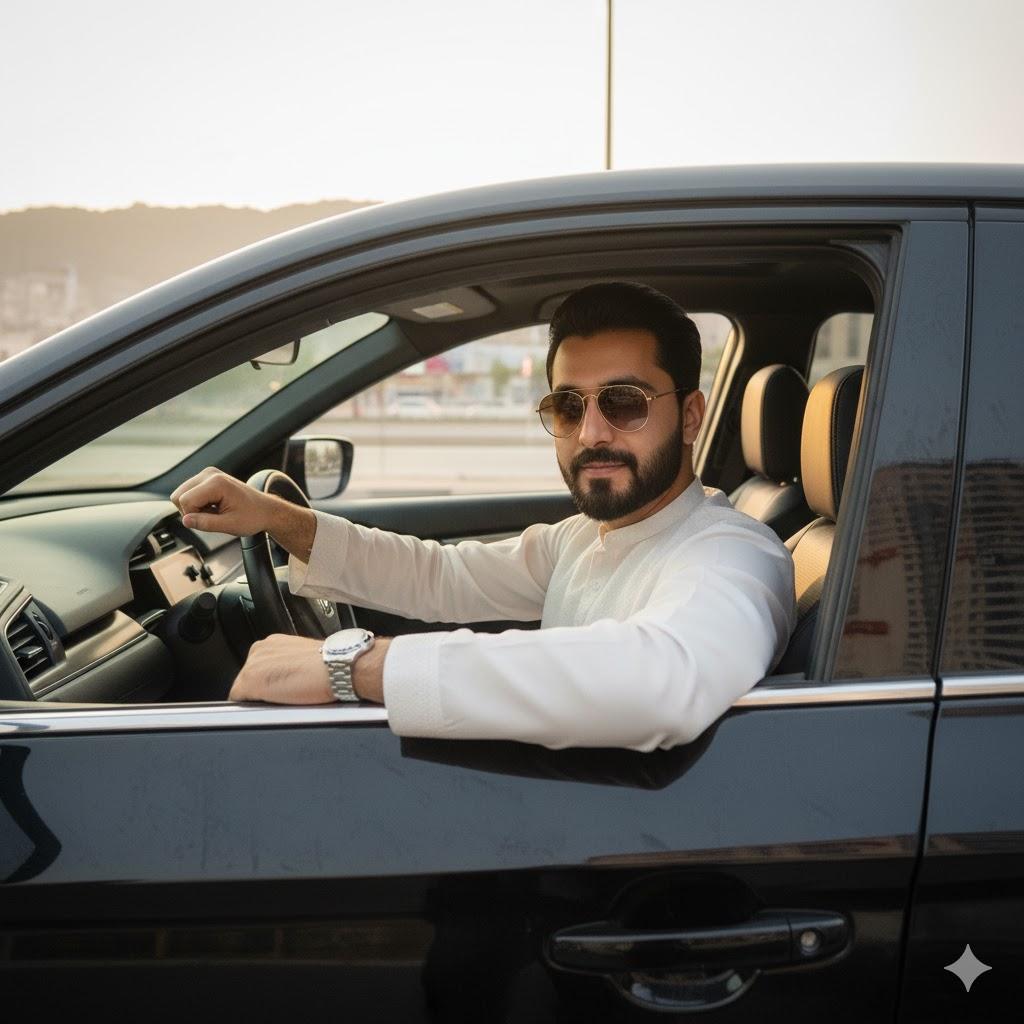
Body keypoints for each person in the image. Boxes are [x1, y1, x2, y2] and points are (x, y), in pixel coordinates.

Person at [171, 282, 795, 752]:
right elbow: (439, 576)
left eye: (625, 403)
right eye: (568, 407)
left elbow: (662, 680)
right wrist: (278, 519)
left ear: (690, 417)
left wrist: (350, 667)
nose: (592, 433)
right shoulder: (583, 540)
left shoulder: (734, 553)